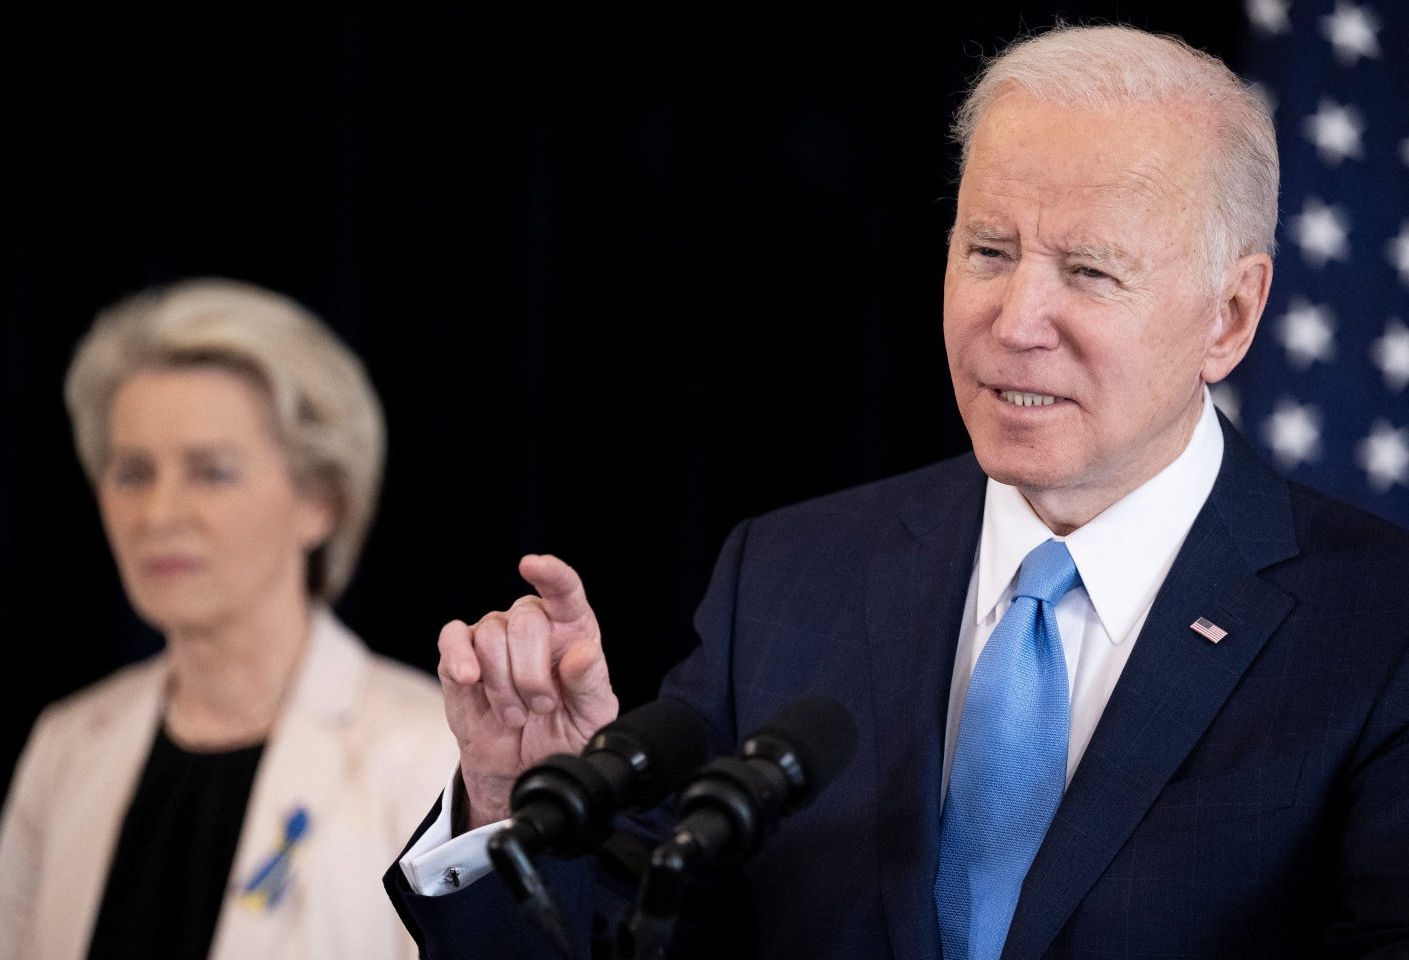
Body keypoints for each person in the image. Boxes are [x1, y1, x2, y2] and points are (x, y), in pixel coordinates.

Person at [388, 24, 1409, 960]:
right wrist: (515, 813)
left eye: (1090, 272)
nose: (1015, 321)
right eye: (989, 252)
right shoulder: (788, 578)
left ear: (1230, 315)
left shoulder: (1378, 627)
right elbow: (635, 936)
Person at [0, 279, 457, 960]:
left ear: (320, 499)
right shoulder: (68, 744)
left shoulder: (428, 753)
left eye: (212, 472)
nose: (160, 515)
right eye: (133, 472)